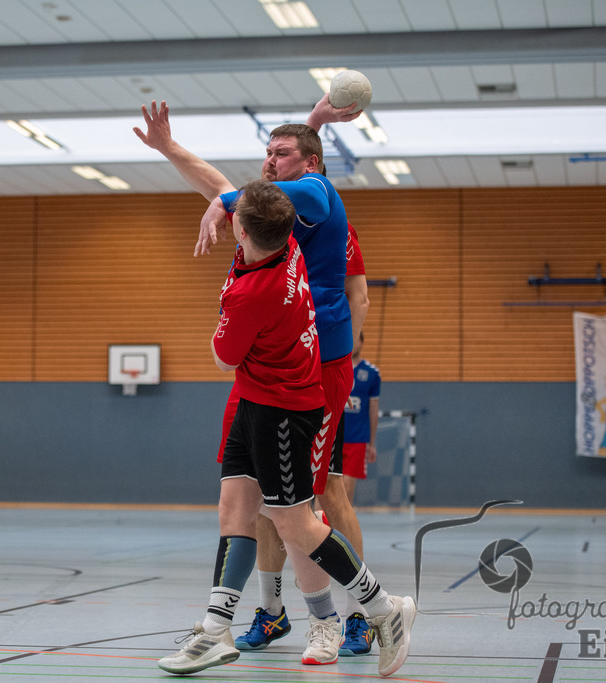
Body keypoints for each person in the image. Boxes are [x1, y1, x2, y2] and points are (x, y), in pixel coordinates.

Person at [135, 98, 394, 663]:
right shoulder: (275, 227)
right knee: (252, 503)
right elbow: (236, 186)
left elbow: (251, 191)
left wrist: (222, 203)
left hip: (315, 365)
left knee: (311, 499)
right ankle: (257, 615)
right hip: (267, 372)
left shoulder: (313, 204)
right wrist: (169, 149)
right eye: (268, 154)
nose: (270, 161)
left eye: (281, 154)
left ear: (311, 164)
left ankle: (355, 615)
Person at [343, 332, 381, 502]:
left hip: (357, 438)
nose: (353, 343)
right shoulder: (331, 368)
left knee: (347, 485)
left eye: (357, 339)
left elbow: (373, 409)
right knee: (323, 487)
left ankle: (342, 527)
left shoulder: (371, 373)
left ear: (362, 343)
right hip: (330, 437)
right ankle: (318, 525)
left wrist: (371, 444)